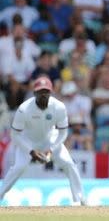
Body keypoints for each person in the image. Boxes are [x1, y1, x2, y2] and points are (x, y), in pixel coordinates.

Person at [0, 76, 85, 205]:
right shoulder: (24, 109)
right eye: (40, 92)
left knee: (69, 164)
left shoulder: (59, 107)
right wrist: (31, 151)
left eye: (46, 92)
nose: (44, 95)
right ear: (34, 93)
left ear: (51, 93)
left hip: (50, 140)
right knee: (18, 167)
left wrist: (51, 149)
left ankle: (79, 199)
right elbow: (15, 135)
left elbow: (63, 132)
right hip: (28, 141)